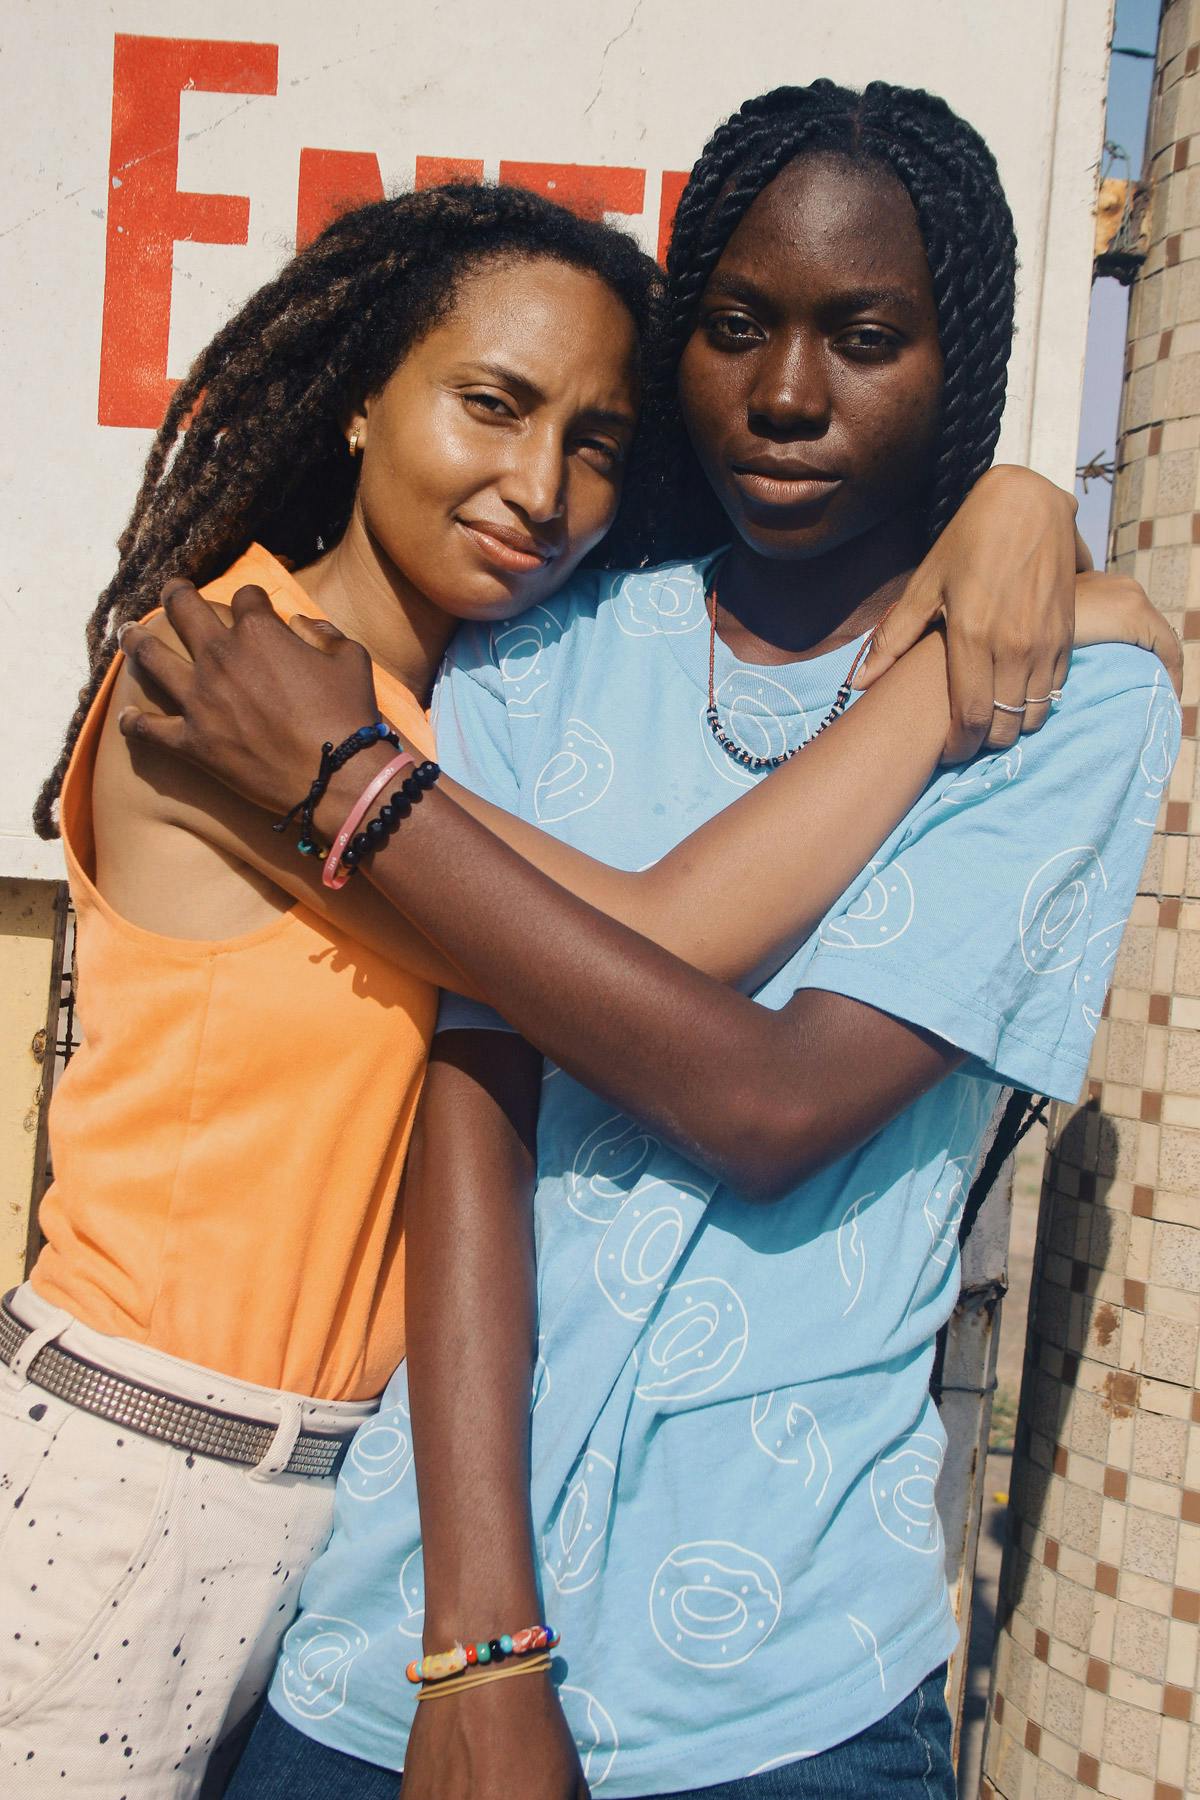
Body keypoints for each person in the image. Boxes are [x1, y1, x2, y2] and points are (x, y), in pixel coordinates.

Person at [116, 83, 1182, 1800]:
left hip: (780, 1685)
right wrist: (478, 1643)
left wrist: (1028, 510)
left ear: (955, 356)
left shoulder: (1068, 708)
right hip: (406, 1626)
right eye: (739, 326)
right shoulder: (547, 644)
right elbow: (472, 1099)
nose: (784, 393)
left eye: (866, 337)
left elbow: (766, 1109)